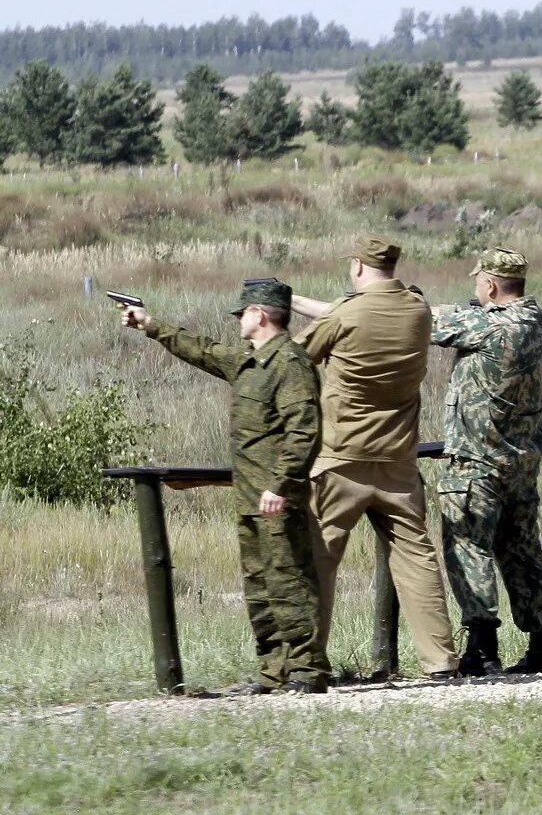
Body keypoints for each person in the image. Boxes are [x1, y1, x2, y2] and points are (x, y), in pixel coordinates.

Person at [119, 279, 328, 694]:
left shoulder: (289, 364)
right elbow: (203, 350)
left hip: (275, 498)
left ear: (260, 314)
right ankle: (274, 672)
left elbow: (303, 431)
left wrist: (281, 485)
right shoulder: (251, 362)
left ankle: (307, 671)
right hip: (250, 498)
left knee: (289, 583)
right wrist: (149, 324)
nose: (237, 320)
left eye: (242, 313)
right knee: (260, 588)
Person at [288, 235, 460, 680]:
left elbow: (294, 358)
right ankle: (440, 659)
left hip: (342, 455)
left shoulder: (346, 313)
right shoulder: (417, 311)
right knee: (416, 555)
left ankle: (307, 660)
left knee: (319, 557)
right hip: (398, 455)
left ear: (358, 266)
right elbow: (364, 314)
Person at [427, 247, 542, 675]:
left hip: (477, 458)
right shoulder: (540, 321)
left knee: (469, 547)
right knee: (522, 551)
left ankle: (482, 647)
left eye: (477, 283)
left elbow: (424, 322)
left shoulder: (487, 323)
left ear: (489, 285)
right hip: (522, 458)